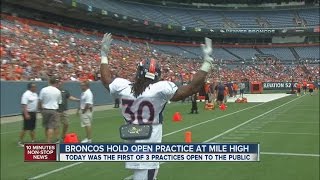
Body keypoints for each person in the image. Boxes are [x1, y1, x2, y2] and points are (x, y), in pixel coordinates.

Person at [100, 33, 214, 180]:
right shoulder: (159, 89)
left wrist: (104, 55)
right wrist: (207, 62)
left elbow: (106, 80)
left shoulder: (123, 87)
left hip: (130, 143)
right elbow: (192, 88)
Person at [39, 77, 62, 143]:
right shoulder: (58, 91)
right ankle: (49, 141)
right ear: (55, 83)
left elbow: (40, 101)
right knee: (51, 127)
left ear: (49, 82)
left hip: (45, 109)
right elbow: (59, 102)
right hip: (53, 110)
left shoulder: (43, 89)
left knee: (46, 126)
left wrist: (40, 110)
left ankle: (47, 139)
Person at [18, 82, 38, 147]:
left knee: (32, 128)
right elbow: (24, 105)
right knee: (25, 128)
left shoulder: (35, 94)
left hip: (33, 113)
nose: (35, 88)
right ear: (30, 87)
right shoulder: (26, 94)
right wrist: (26, 114)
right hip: (28, 113)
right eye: (34, 87)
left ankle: (33, 140)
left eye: (35, 86)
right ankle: (20, 141)